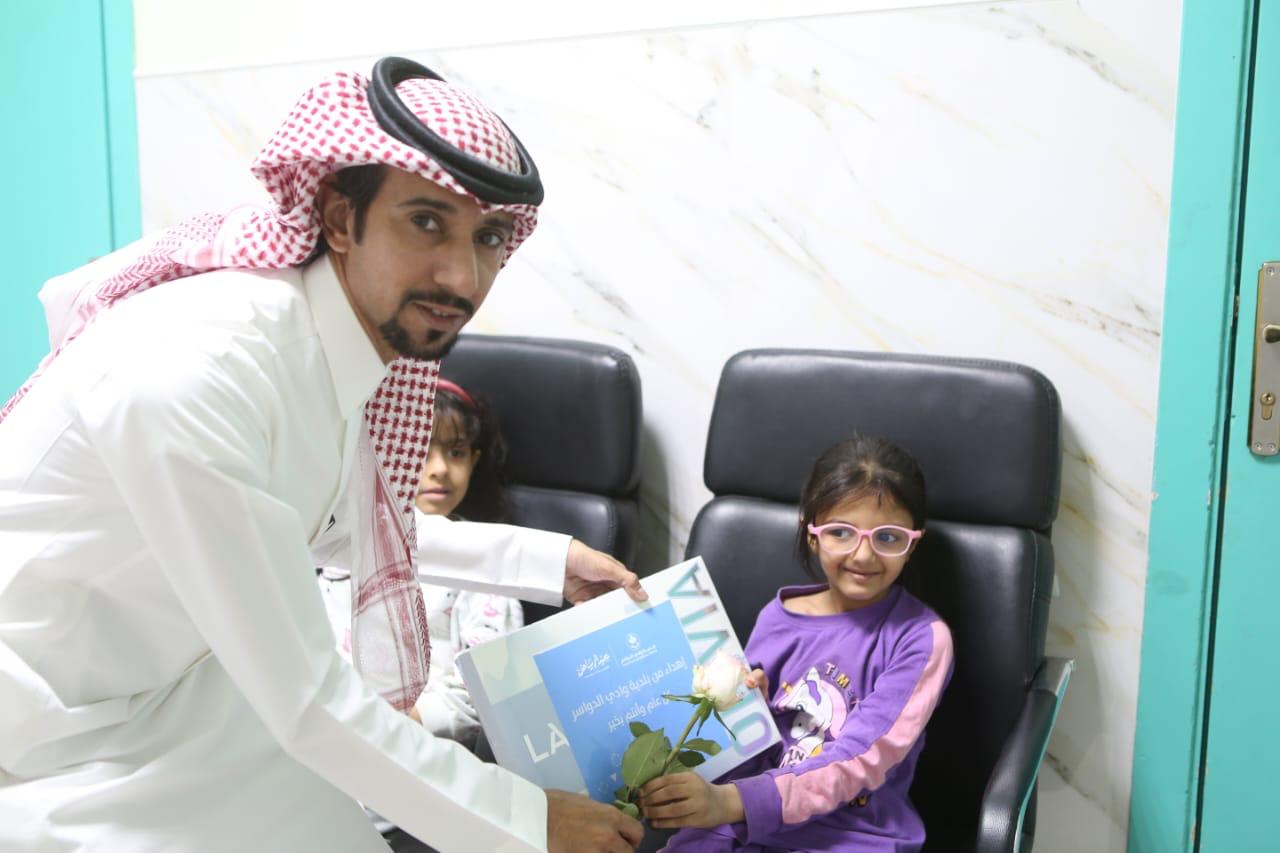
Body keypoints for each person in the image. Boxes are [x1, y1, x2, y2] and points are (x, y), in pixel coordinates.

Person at [0, 57, 644, 852]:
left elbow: (340, 522)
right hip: (42, 741)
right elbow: (307, 698)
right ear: (340, 219)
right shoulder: (203, 372)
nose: (462, 276)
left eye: (486, 237)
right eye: (426, 222)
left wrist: (548, 561)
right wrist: (527, 819)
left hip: (167, 693)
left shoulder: (326, 345)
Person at [638, 436, 954, 852]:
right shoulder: (778, 616)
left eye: (888, 537)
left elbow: (862, 757)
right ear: (812, 534)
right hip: (738, 821)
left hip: (850, 833)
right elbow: (748, 750)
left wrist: (730, 802)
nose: (863, 556)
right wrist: (747, 708)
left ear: (912, 544)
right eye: (840, 532)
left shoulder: (921, 638)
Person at [320, 379, 532, 749]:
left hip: (417, 747)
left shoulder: (485, 567)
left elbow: (489, 686)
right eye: (419, 450)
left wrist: (399, 724)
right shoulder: (342, 552)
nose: (439, 469)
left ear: (474, 460)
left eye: (456, 452)